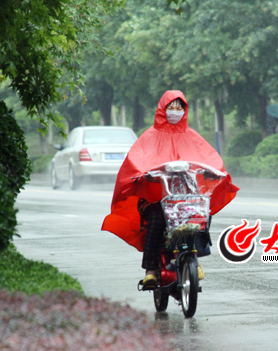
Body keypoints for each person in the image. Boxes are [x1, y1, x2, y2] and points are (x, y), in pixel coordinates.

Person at [101, 90, 238, 289]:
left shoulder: (192, 136)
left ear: (185, 110)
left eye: (179, 108)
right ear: (162, 110)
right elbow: (136, 160)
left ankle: (195, 258)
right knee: (156, 220)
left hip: (184, 198)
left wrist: (216, 172)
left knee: (200, 215)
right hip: (155, 199)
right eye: (171, 108)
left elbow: (208, 157)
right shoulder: (149, 137)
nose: (175, 112)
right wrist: (142, 174)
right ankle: (150, 271)